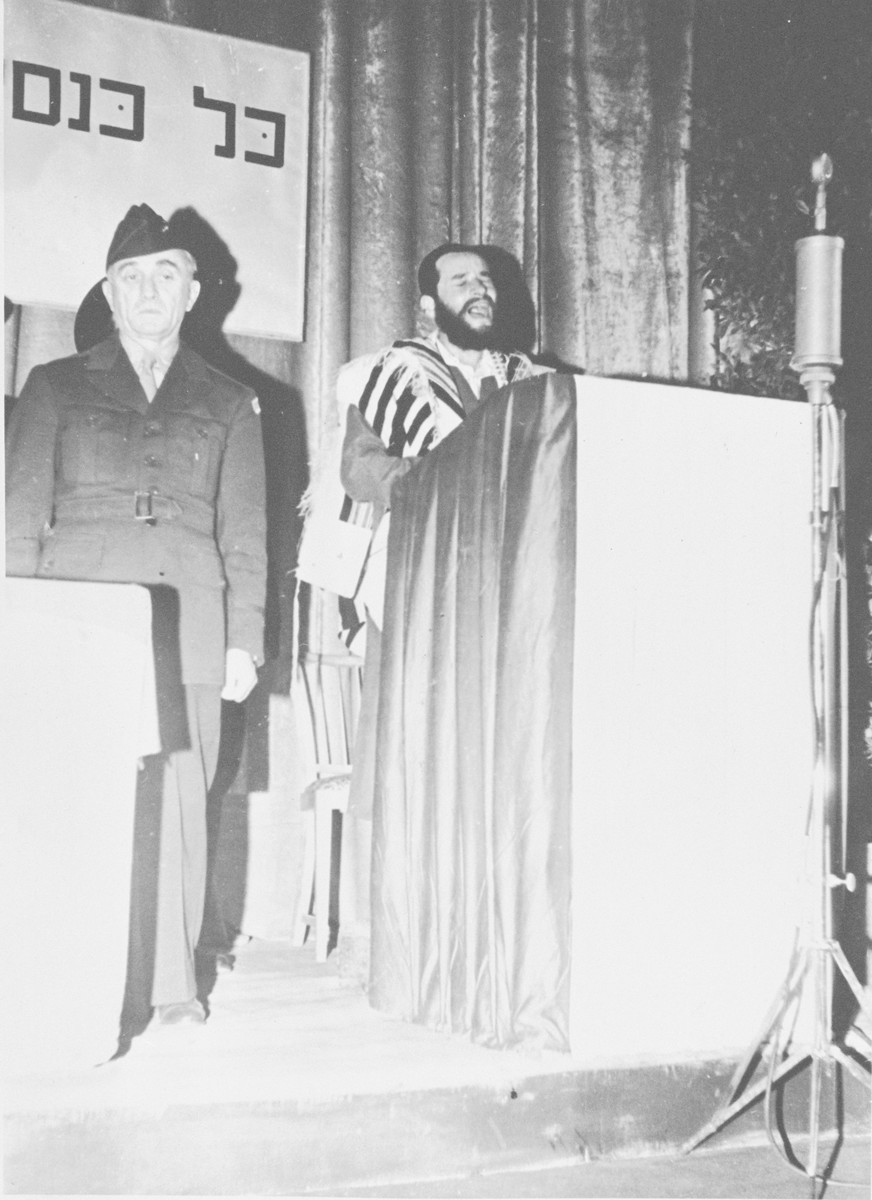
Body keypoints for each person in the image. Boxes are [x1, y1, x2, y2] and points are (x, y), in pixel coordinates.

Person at [5, 203, 267, 1029]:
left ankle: (168, 991)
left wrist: (245, 639)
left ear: (194, 294)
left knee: (183, 801)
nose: (148, 290)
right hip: (78, 615)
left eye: (166, 275)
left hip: (191, 616)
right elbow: (16, 520)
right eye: (130, 277)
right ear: (107, 295)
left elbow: (248, 531)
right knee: (70, 798)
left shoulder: (232, 401)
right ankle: (64, 976)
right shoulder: (51, 385)